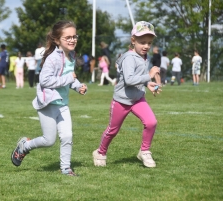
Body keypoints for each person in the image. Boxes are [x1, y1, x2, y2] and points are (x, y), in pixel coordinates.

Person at [11, 20, 87, 176]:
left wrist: (78, 86)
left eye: (74, 36)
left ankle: (66, 169)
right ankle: (24, 146)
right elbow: (45, 81)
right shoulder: (52, 58)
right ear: (57, 40)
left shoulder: (71, 56)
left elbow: (69, 77)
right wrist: (70, 79)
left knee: (67, 136)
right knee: (49, 140)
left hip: (63, 104)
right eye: (68, 37)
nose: (73, 40)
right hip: (48, 104)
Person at [92, 21, 161, 168]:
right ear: (133, 40)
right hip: (122, 101)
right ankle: (100, 152)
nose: (146, 46)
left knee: (151, 122)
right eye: (142, 42)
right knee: (113, 130)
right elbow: (129, 80)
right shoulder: (129, 58)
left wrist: (147, 84)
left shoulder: (143, 57)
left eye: (149, 43)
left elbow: (139, 76)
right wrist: (149, 76)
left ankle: (144, 151)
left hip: (137, 99)